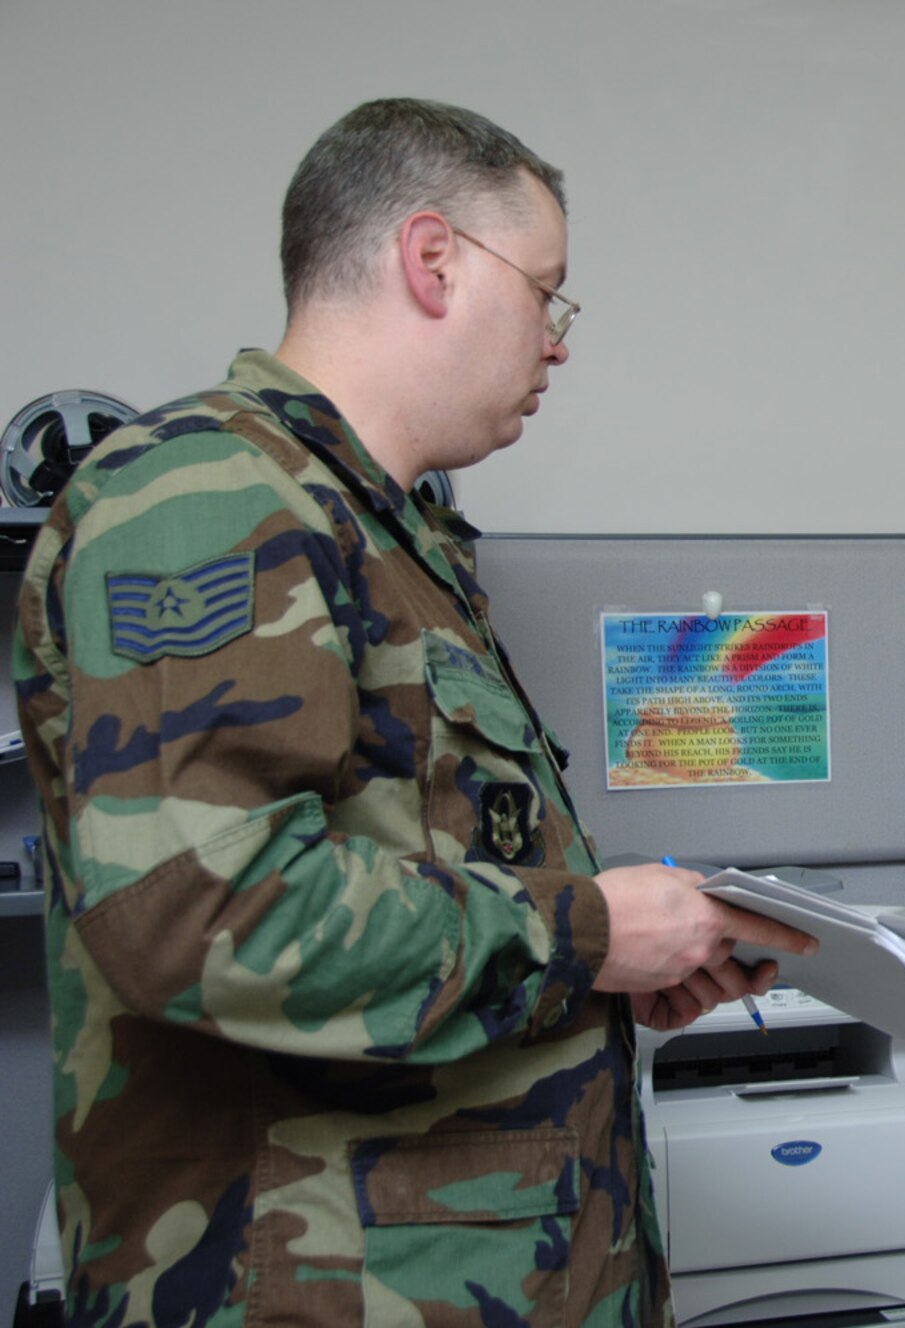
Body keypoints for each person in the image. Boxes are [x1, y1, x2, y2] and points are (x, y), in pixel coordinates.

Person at [10, 98, 817, 1327]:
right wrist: (589, 932)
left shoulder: (392, 538)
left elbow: (419, 871)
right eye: (547, 293)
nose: (557, 342)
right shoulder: (205, 495)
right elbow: (202, 910)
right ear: (433, 259)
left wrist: (610, 969)